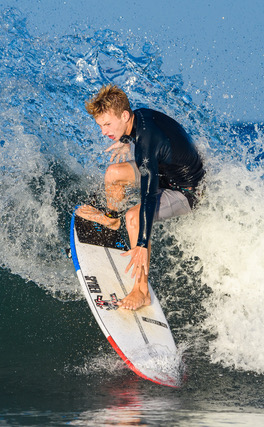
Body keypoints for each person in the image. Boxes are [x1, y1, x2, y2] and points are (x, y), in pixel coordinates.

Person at [76, 84, 205, 311]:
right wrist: (125, 140)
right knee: (113, 174)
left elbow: (148, 196)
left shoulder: (146, 146)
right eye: (100, 125)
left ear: (124, 116)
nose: (103, 131)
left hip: (186, 191)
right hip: (166, 171)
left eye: (107, 124)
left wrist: (142, 244)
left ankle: (142, 291)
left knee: (134, 217)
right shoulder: (139, 115)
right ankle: (111, 219)